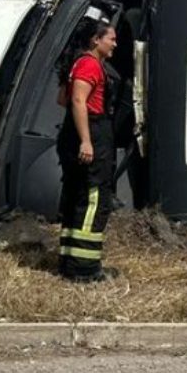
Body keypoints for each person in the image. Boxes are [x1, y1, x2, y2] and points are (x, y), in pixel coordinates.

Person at [55, 17, 122, 282]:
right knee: (94, 199)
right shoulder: (89, 65)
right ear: (96, 40)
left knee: (76, 196)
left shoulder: (77, 63)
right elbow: (77, 101)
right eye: (111, 39)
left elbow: (61, 98)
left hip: (77, 133)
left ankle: (70, 262)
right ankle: (85, 268)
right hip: (91, 132)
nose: (115, 44)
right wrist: (86, 140)